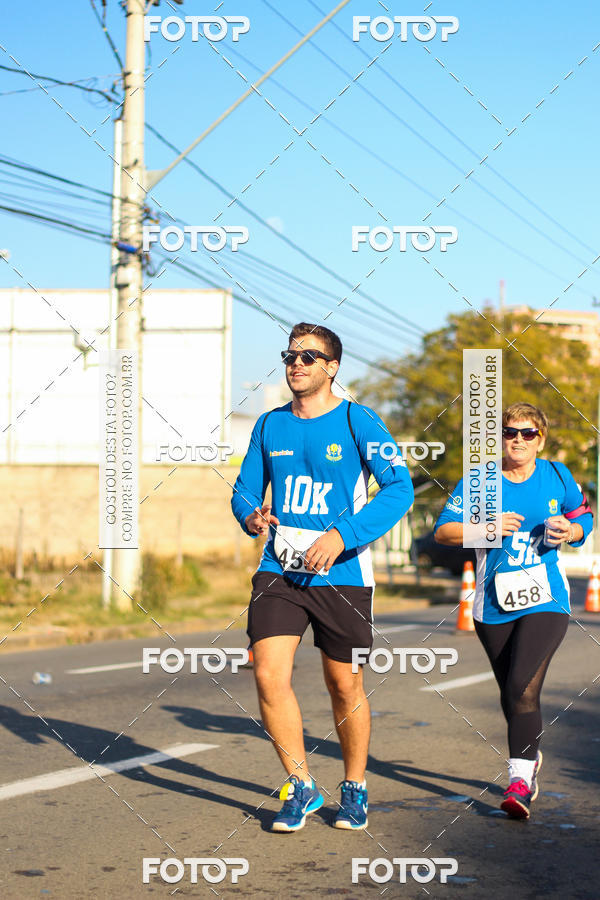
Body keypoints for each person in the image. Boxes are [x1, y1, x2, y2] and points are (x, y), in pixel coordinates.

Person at [231, 323, 414, 832]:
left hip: (345, 574)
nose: (296, 364)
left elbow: (399, 489)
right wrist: (250, 516)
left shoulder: (359, 420)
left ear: (332, 367)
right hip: (279, 571)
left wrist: (342, 535)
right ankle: (301, 784)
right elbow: (244, 490)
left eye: (309, 357)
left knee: (343, 682)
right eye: (291, 355)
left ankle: (354, 787)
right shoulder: (269, 425)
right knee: (269, 674)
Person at [434, 402, 593, 819]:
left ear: (540, 439)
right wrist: (483, 527)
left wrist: (573, 530)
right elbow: (443, 530)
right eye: (508, 432)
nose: (517, 440)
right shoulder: (481, 480)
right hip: (493, 601)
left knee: (523, 685)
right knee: (512, 692)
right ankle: (530, 753)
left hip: (547, 597)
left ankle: (520, 780)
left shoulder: (557, 475)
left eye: (526, 433)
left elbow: (583, 517)